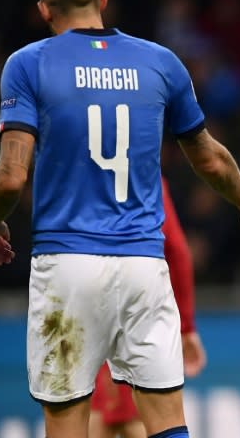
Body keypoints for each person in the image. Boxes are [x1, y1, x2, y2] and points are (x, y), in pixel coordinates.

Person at [0, 0, 240, 438]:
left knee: (68, 420)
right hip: (143, 268)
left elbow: (10, 175)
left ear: (44, 9)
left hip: (68, 267)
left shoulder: (28, 65)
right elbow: (209, 157)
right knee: (165, 421)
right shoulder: (161, 63)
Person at [89, 176, 207, 438]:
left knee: (100, 410)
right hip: (137, 302)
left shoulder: (78, 167)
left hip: (85, 299)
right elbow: (177, 251)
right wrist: (186, 327)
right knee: (138, 413)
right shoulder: (145, 171)